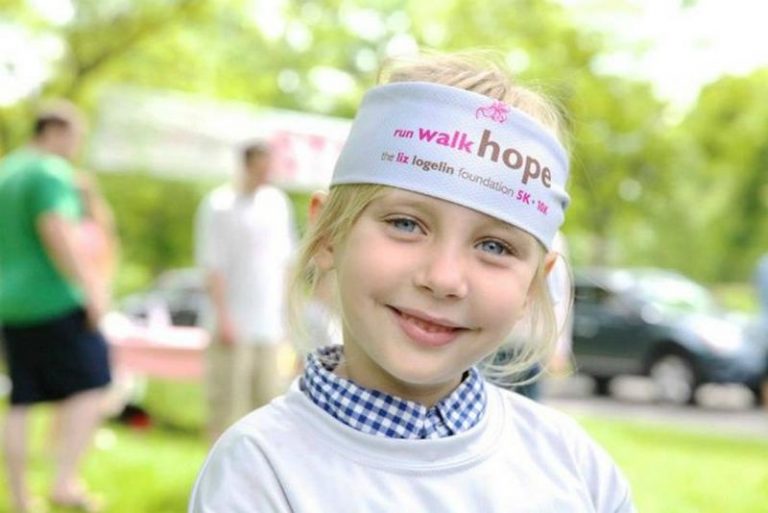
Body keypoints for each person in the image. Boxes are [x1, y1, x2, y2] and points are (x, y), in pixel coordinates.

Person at [189, 52, 636, 512]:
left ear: (534, 287)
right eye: (406, 224)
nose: (443, 279)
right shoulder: (260, 470)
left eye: (495, 246)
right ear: (327, 235)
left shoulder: (578, 471)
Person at [0, 101, 111, 512]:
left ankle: (20, 498)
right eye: (75, 137)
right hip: (52, 299)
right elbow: (57, 232)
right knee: (94, 380)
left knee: (22, 397)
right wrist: (92, 289)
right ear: (54, 131)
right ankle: (65, 481)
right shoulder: (49, 172)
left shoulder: (7, 171)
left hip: (11, 303)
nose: (76, 147)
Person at [195, 140, 297, 442]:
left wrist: (288, 315)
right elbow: (212, 265)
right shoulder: (220, 204)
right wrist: (223, 317)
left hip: (269, 324)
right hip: (232, 322)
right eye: (260, 167)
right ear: (246, 165)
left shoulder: (277, 204)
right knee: (227, 403)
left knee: (267, 402)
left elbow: (287, 263)